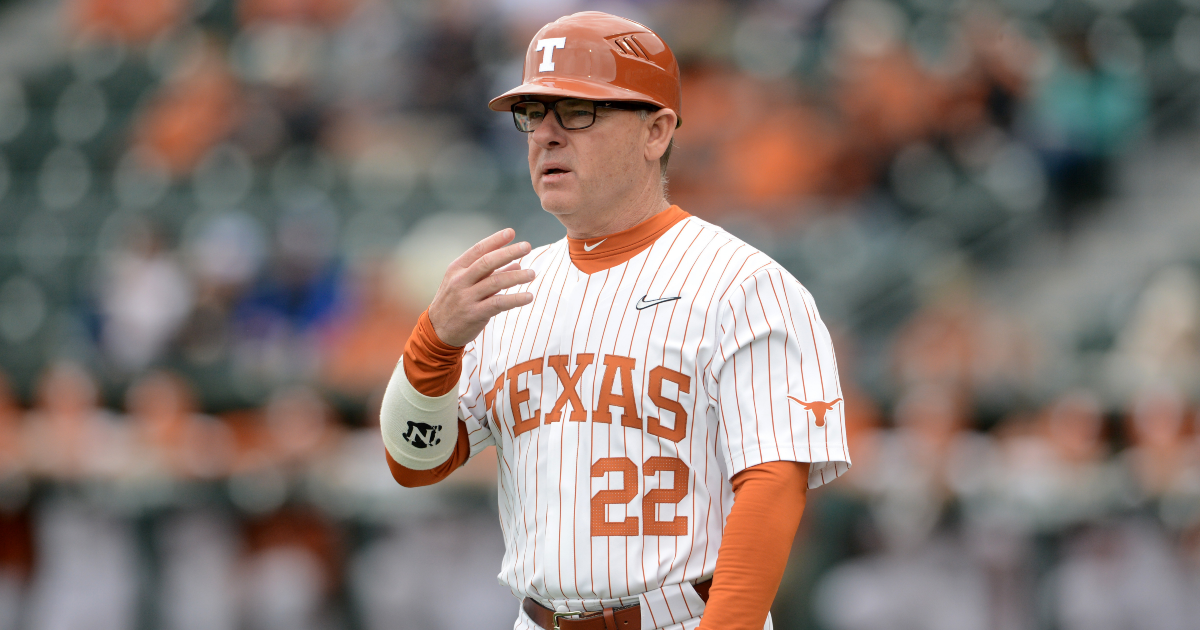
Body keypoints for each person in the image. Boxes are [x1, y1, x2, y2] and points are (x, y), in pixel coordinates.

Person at [378, 12, 850, 630]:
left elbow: (770, 485)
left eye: (577, 111)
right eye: (532, 113)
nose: (546, 134)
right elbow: (417, 463)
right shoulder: (509, 291)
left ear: (656, 131)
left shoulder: (744, 283)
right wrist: (434, 343)